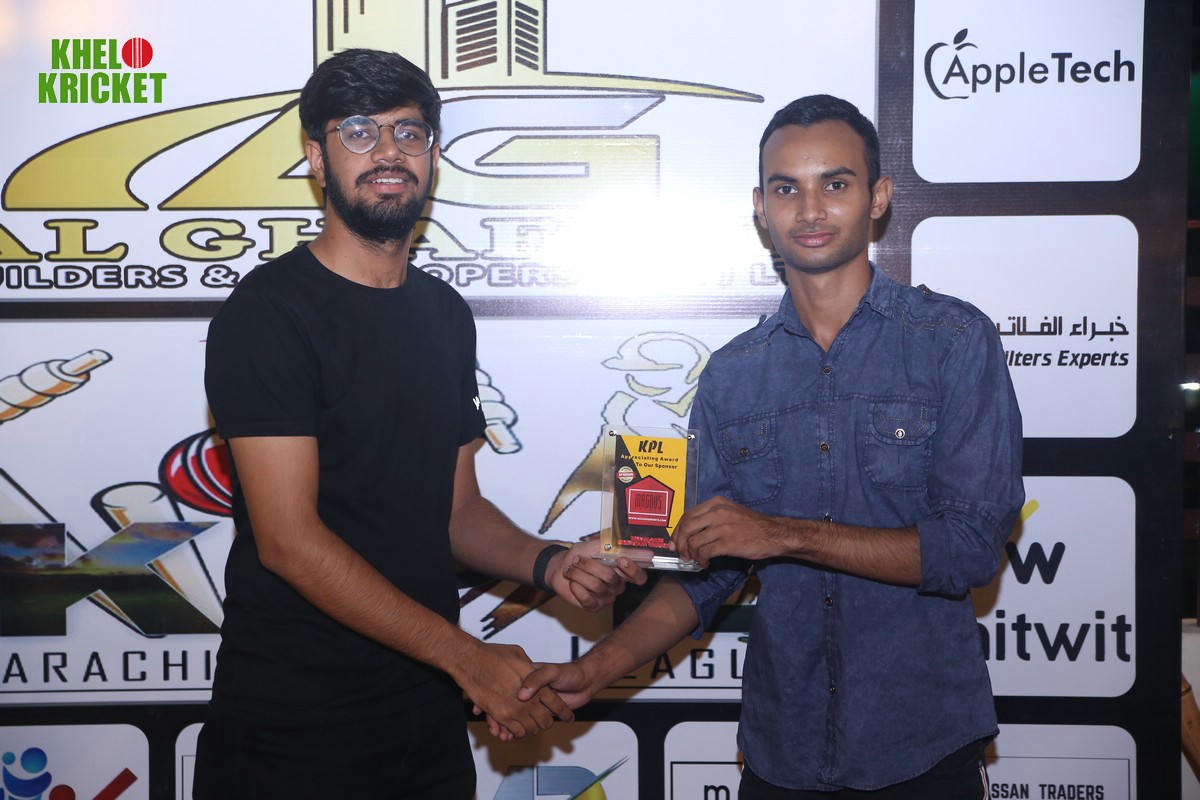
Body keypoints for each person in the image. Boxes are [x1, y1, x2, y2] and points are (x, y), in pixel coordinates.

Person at [515, 95, 1025, 799]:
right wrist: (593, 670)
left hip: (921, 746)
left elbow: (968, 549)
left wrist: (781, 534)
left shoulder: (953, 342)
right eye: (786, 189)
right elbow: (708, 570)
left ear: (878, 197)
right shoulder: (732, 374)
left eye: (834, 184)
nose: (810, 209)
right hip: (781, 750)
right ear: (761, 208)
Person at [193, 48, 644, 799]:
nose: (389, 152)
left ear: (432, 154)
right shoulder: (268, 314)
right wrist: (467, 658)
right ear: (317, 157)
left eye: (409, 132)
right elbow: (289, 542)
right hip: (294, 730)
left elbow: (456, 510)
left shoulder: (444, 313)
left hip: (426, 721)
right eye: (359, 131)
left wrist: (549, 564)